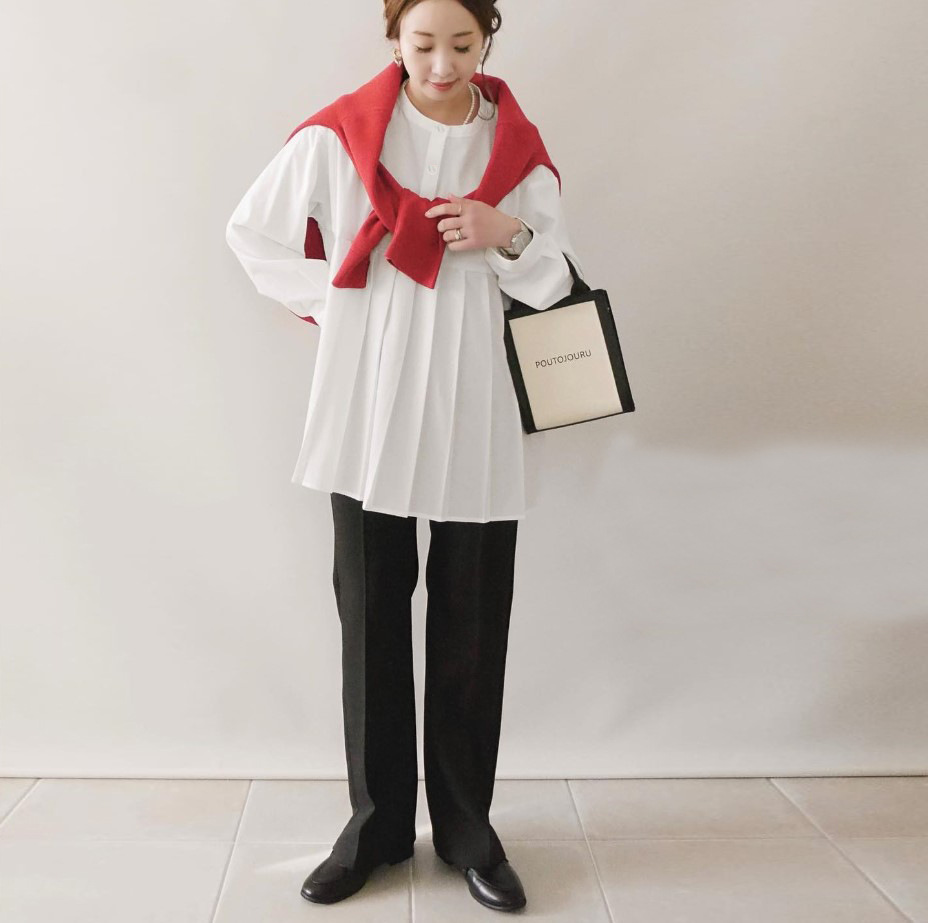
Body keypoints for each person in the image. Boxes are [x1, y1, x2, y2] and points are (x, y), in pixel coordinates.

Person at [225, 0, 584, 912]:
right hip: (367, 401)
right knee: (371, 618)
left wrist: (505, 234)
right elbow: (251, 232)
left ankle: (469, 830)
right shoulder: (341, 136)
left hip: (477, 396)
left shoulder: (515, 147)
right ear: (393, 39)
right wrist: (343, 300)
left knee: (473, 622)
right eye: (423, 43)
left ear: (489, 37)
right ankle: (376, 829)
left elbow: (554, 275)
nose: (442, 63)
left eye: (462, 43)